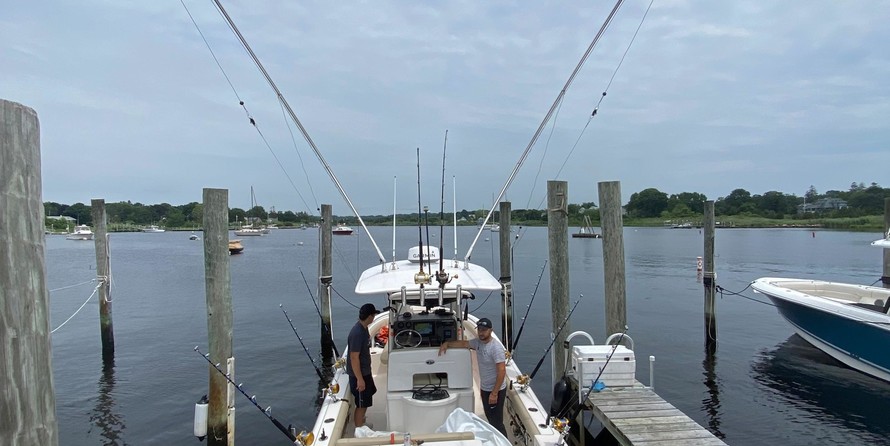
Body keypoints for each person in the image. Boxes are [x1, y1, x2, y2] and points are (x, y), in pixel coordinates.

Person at [438, 317, 507, 436]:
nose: (481, 332)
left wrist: (494, 393)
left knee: (496, 422)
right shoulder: (477, 343)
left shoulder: (496, 348)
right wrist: (447, 343)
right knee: (490, 418)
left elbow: (502, 371)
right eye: (479, 329)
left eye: (484, 330)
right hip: (485, 388)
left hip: (496, 390)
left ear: (491, 331)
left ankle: (503, 441)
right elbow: (464, 343)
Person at [347, 303, 380, 428]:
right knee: (361, 404)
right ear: (370, 316)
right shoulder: (357, 333)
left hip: (365, 371)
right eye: (373, 315)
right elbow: (354, 357)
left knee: (366, 401)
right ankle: (359, 429)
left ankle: (362, 423)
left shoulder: (364, 328)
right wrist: (360, 380)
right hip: (359, 375)